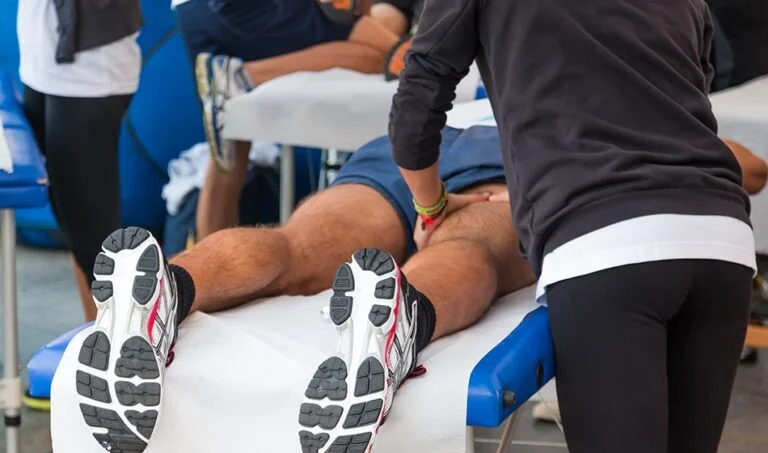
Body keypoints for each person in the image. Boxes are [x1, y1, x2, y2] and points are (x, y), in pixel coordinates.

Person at [68, 117, 764, 451]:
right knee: (474, 250)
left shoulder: (480, 34)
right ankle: (398, 315)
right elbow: (744, 166)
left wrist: (425, 192)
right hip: (522, 166)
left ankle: (168, 286)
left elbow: (410, 76)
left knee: (295, 245)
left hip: (401, 153)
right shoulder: (616, 85)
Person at [389, 2, 757, 453]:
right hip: (721, 239)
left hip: (607, 246)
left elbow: (416, 108)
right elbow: (677, 103)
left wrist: (432, 206)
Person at [174, 0, 423, 239]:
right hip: (246, 6)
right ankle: (244, 77)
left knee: (229, 148)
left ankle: (206, 274)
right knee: (394, 55)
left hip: (191, 10)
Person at [17, 0, 141, 322]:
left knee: (96, 246)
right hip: (41, 62)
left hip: (90, 75)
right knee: (75, 228)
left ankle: (124, 352)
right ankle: (96, 333)